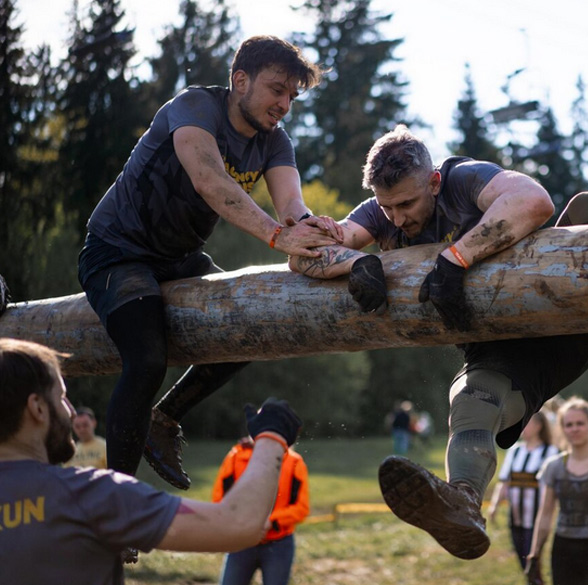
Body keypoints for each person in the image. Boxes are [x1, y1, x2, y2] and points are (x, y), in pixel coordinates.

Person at [288, 117, 588, 560]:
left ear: (434, 181)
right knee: (470, 399)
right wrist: (358, 263)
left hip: (562, 319)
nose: (397, 219)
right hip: (497, 344)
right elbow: (303, 254)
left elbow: (534, 201)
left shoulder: (463, 179)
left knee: (581, 210)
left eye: (408, 203)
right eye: (387, 206)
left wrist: (456, 257)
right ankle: (462, 502)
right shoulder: (379, 215)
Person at [76, 35, 343, 491]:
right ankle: (115, 500)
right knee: (146, 359)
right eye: (276, 90)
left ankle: (165, 419)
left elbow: (291, 206)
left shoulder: (275, 142)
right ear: (241, 80)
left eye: (291, 97)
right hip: (116, 251)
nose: (284, 104)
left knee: (246, 329)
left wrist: (314, 227)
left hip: (176, 259)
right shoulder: (195, 108)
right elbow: (210, 182)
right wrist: (280, 237)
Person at [0, 337, 302, 585]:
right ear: (37, 408)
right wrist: (272, 437)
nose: (70, 412)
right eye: (62, 397)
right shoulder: (92, 495)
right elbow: (238, 524)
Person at [525, 398, 588, 585]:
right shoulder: (553, 467)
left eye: (580, 423)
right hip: (564, 549)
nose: (574, 429)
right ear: (562, 429)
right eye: (569, 424)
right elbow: (546, 513)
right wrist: (535, 554)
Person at [213, 435, 310, 585]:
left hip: (279, 545)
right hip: (241, 542)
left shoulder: (294, 462)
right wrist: (245, 521)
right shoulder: (235, 457)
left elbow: (301, 508)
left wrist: (271, 522)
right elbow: (219, 501)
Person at [487, 412, 561, 571]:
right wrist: (494, 505)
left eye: (526, 422)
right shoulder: (514, 451)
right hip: (516, 517)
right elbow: (505, 481)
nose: (522, 427)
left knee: (532, 560)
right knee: (522, 558)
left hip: (537, 518)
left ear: (539, 426)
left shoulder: (551, 452)